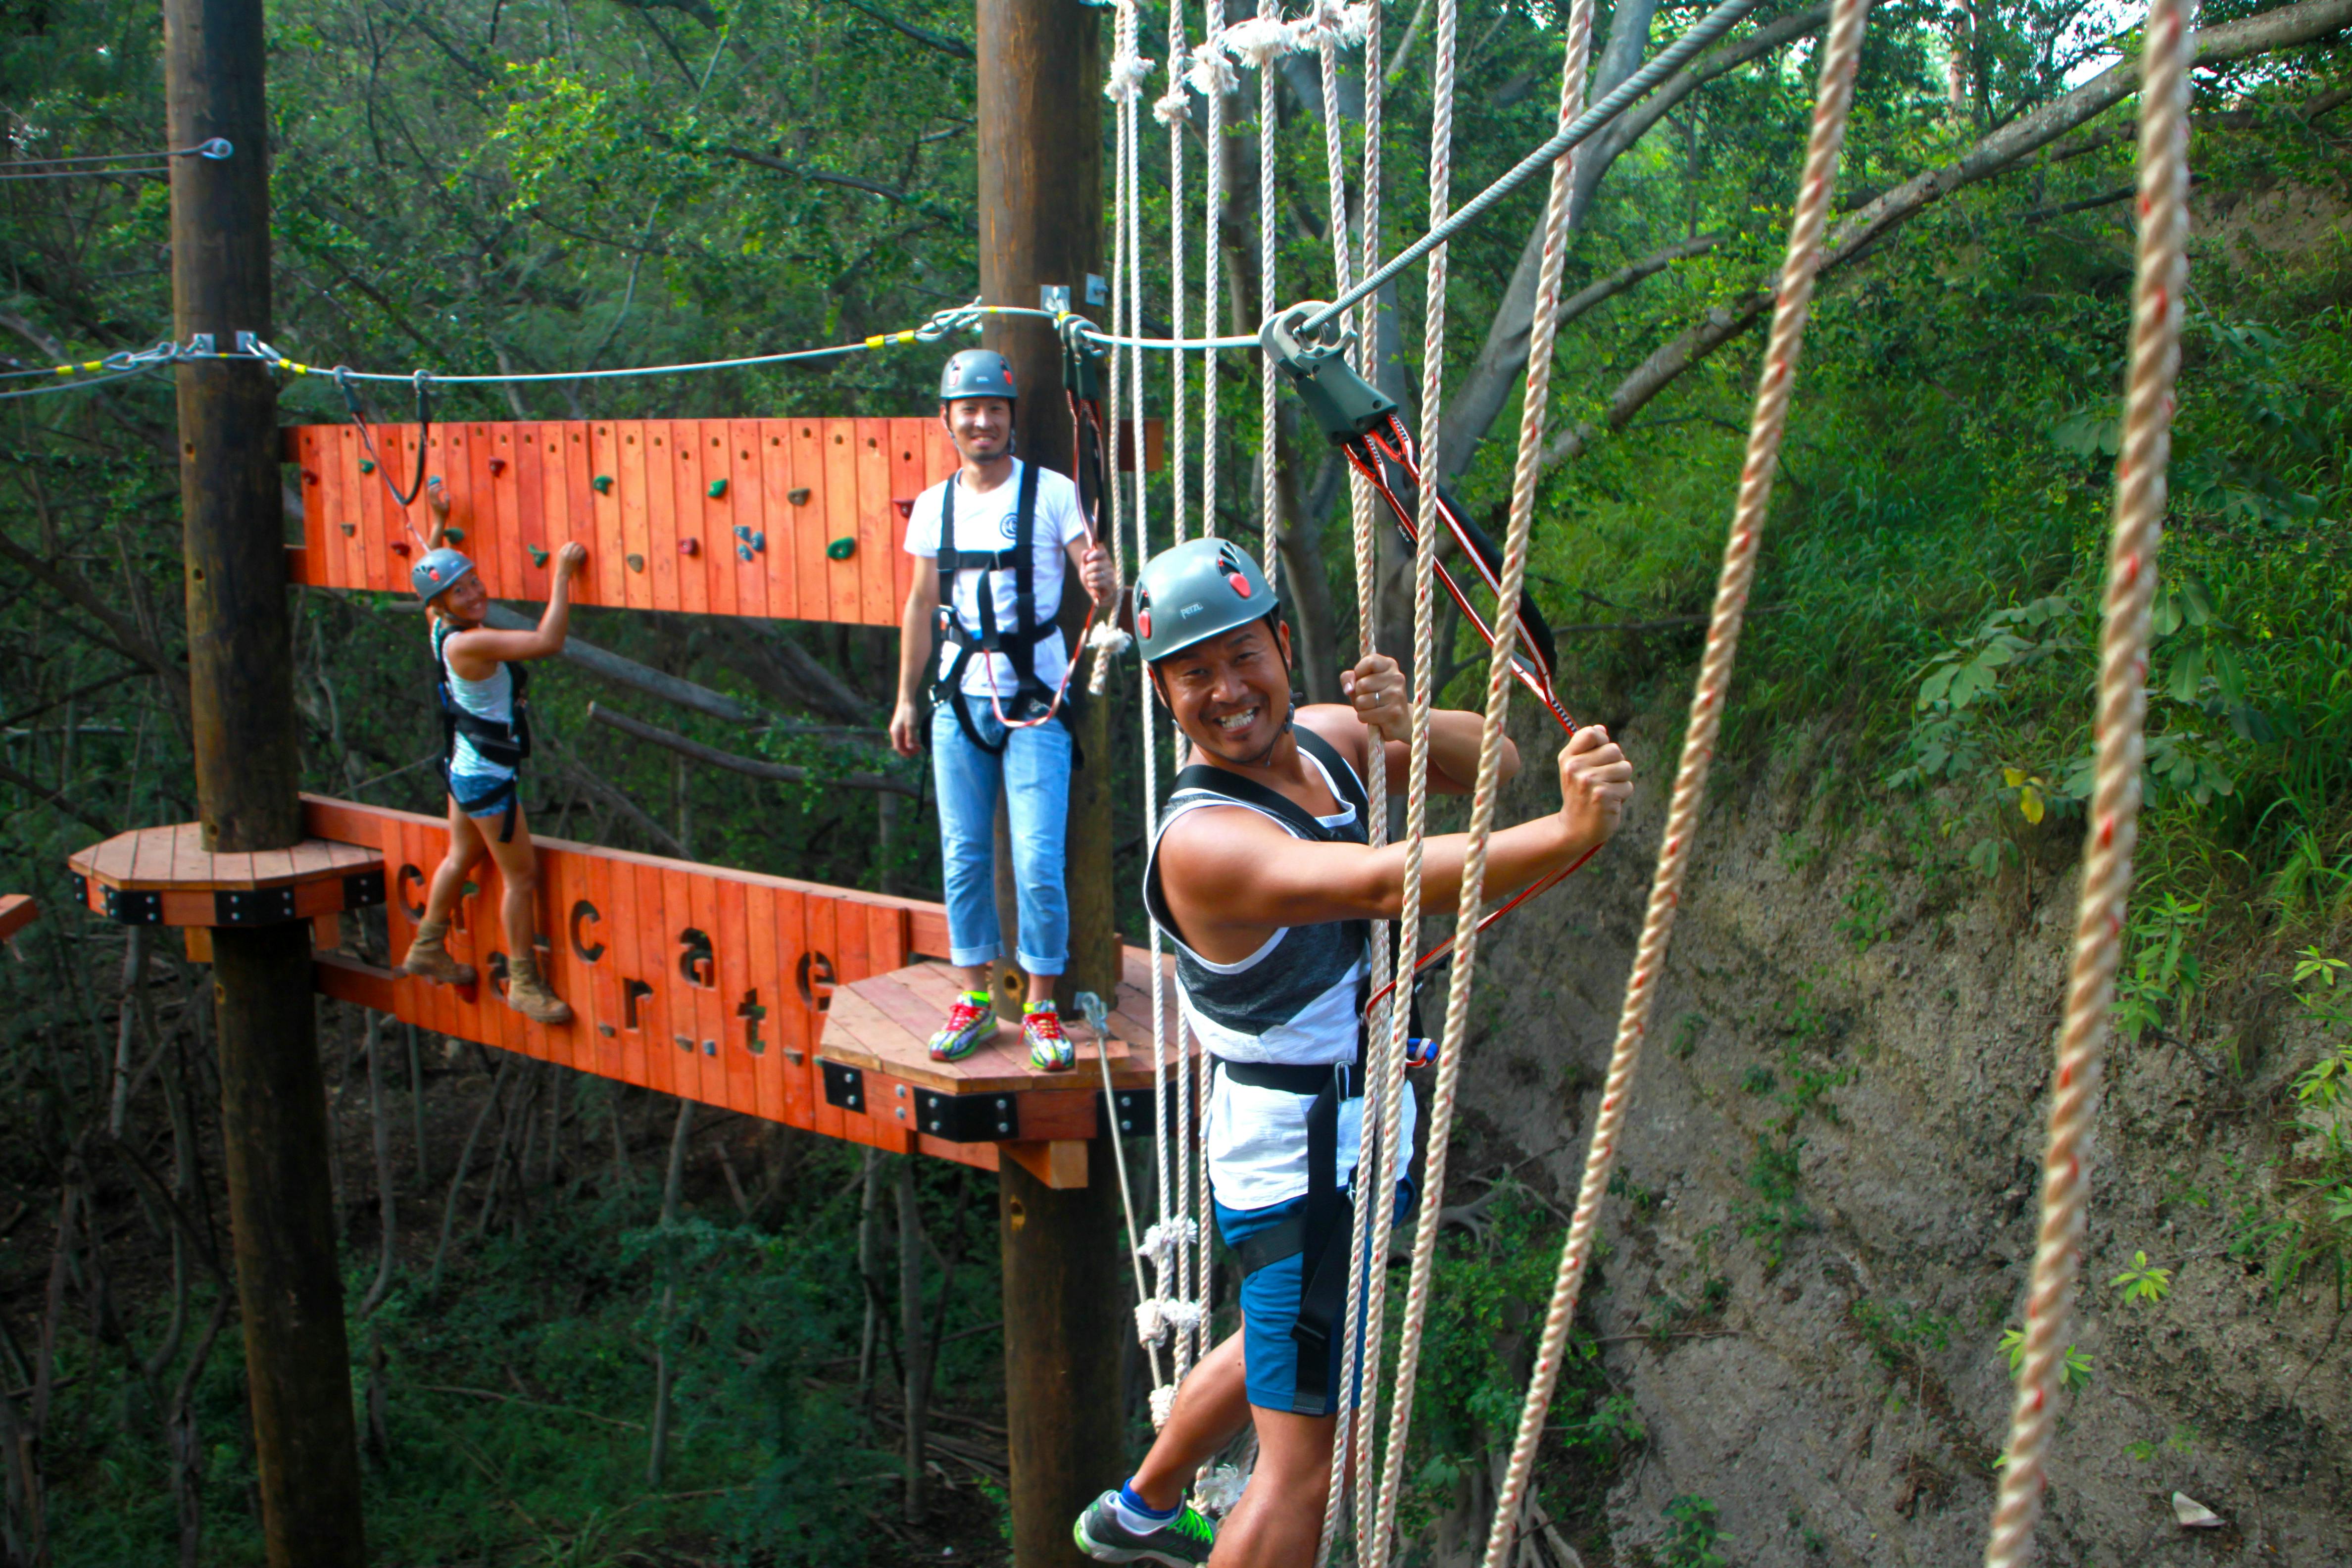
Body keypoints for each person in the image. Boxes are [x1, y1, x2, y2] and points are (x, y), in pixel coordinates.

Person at [1073, 539, 1633, 1567]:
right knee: (1300, 1469)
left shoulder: (1329, 741)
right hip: (1298, 1162)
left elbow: (1493, 761)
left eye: (1243, 656)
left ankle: (1142, 1510)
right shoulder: (1201, 844)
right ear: (1162, 693)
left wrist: (1405, 722)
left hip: (1351, 1128)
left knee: (1275, 1336)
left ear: (1284, 645)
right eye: (1193, 673)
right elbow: (1382, 882)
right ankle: (1154, 1512)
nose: (1227, 691)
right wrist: (1568, 836)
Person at [888, 349, 1114, 1070]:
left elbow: (1093, 569)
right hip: (959, 699)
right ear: (949, 420)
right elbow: (922, 603)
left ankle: (1041, 1005)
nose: (982, 422)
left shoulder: (1049, 493)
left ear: (1011, 419)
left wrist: (1101, 576)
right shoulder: (934, 505)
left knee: (1038, 860)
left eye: (994, 410)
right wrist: (904, 699)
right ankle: (974, 996)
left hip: (1036, 700)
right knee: (964, 857)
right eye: (969, 411)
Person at [397, 478, 584, 1026]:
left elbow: (429, 571)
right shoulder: (471, 642)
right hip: (487, 780)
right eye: (463, 591)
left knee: (461, 857)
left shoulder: (439, 627)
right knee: (521, 878)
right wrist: (563, 578)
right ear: (443, 604)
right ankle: (524, 982)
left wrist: (436, 518)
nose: (476, 592)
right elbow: (548, 642)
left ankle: (427, 946)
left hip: (464, 767)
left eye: (474, 580)